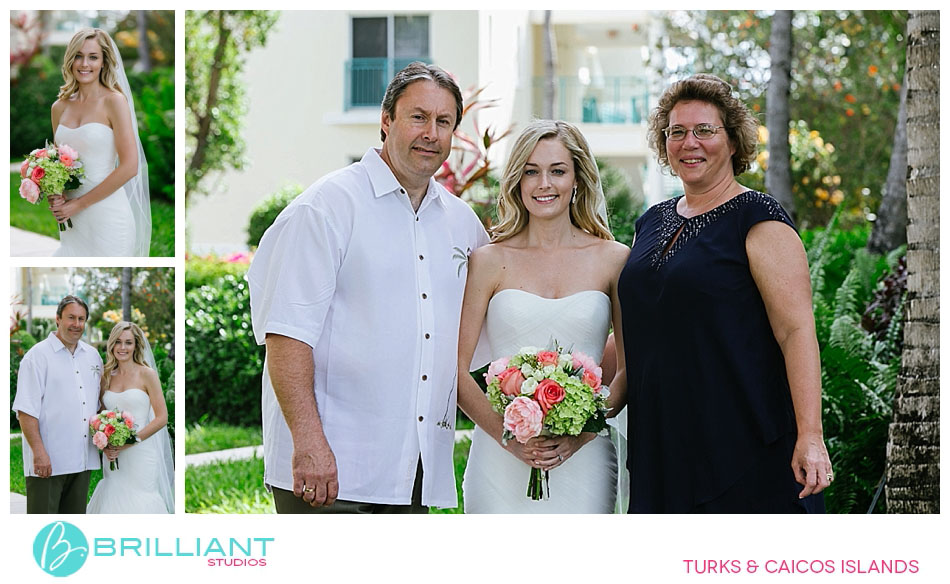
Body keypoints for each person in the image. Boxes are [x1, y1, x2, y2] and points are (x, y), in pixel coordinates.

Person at [248, 62, 489, 514]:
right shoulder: (325, 209)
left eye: (444, 122)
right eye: (418, 117)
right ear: (386, 119)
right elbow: (286, 336)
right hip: (330, 473)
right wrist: (309, 443)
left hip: (412, 474)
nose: (431, 134)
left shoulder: (463, 225)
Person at [618, 73, 833, 513]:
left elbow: (797, 332)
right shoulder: (650, 222)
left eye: (704, 130)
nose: (688, 142)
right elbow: (647, 327)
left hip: (742, 442)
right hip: (662, 443)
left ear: (733, 142)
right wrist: (569, 384)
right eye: (676, 132)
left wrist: (811, 435)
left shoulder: (759, 219)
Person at [457, 120, 630, 513]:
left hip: (584, 460)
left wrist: (580, 434)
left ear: (577, 179)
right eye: (531, 172)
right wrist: (510, 438)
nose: (543, 184)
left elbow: (628, 373)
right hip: (498, 461)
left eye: (557, 171)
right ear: (517, 181)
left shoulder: (614, 260)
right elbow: (456, 370)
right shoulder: (488, 261)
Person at [49, 27, 150, 257]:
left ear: (104, 62)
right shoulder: (59, 107)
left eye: (93, 57)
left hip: (108, 216)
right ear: (70, 60)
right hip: (72, 221)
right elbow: (59, 166)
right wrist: (56, 193)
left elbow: (129, 166)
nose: (85, 64)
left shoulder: (114, 102)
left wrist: (79, 204)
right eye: (78, 55)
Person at [13, 296, 101, 514]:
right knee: (43, 531)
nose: (76, 324)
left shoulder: (93, 356)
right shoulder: (37, 357)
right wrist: (39, 453)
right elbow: (25, 411)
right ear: (58, 319)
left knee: (73, 529)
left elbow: (98, 404)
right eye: (71, 317)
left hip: (82, 461)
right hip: (49, 461)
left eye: (81, 319)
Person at [87, 321, 174, 514]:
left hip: (141, 453)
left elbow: (161, 418)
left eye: (128, 342)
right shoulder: (107, 376)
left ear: (136, 345)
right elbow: (100, 414)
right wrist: (105, 444)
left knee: (142, 501)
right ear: (112, 345)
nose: (122, 347)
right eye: (118, 342)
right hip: (113, 456)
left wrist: (130, 441)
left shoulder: (147, 374)